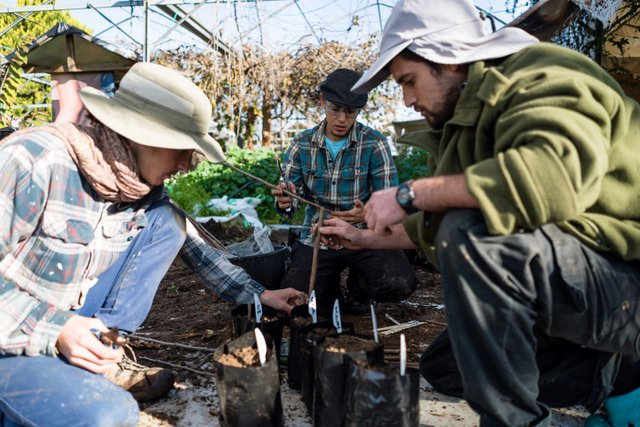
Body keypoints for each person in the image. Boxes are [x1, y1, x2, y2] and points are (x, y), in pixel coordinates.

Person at [318, 1, 640, 426]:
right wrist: (362, 237)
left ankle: (519, 422)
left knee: (471, 232)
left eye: (409, 82)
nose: (407, 99)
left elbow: (550, 181)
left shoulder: (543, 74)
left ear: (448, 59)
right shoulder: (464, 127)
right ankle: (614, 380)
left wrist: (409, 192)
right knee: (448, 367)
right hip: (569, 285)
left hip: (623, 284)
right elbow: (431, 228)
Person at [0, 62, 306, 427]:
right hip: (13, 336)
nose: (187, 165)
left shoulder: (139, 190)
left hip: (65, 325)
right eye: (182, 149)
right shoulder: (34, 160)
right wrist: (56, 329)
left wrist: (262, 295)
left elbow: (200, 255)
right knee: (109, 415)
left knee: (168, 223)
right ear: (140, 134)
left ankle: (99, 351)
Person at [271, 68, 416, 319]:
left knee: (399, 282)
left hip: (364, 234)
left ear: (359, 111)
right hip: (316, 236)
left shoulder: (375, 143)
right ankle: (329, 289)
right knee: (294, 298)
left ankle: (359, 289)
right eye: (335, 109)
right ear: (322, 102)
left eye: (350, 112)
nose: (342, 119)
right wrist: (285, 200)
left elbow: (390, 202)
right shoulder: (301, 143)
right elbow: (289, 203)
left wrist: (368, 214)